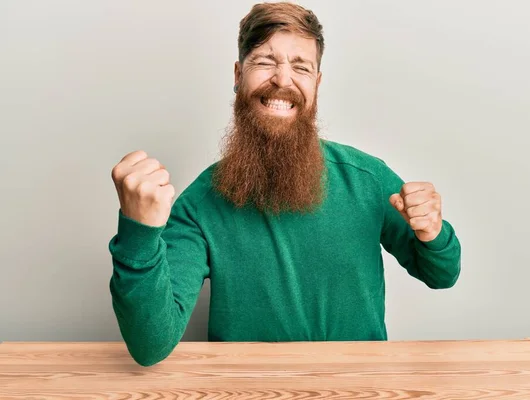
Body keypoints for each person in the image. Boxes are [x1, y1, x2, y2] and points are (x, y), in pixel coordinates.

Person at [108, 2, 461, 367]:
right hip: (245, 390)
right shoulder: (200, 203)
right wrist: (139, 233)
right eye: (264, 61)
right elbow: (151, 345)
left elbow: (442, 274)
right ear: (237, 74)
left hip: (359, 386)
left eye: (301, 66)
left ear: (317, 84)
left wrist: (434, 232)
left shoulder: (367, 179)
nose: (282, 79)